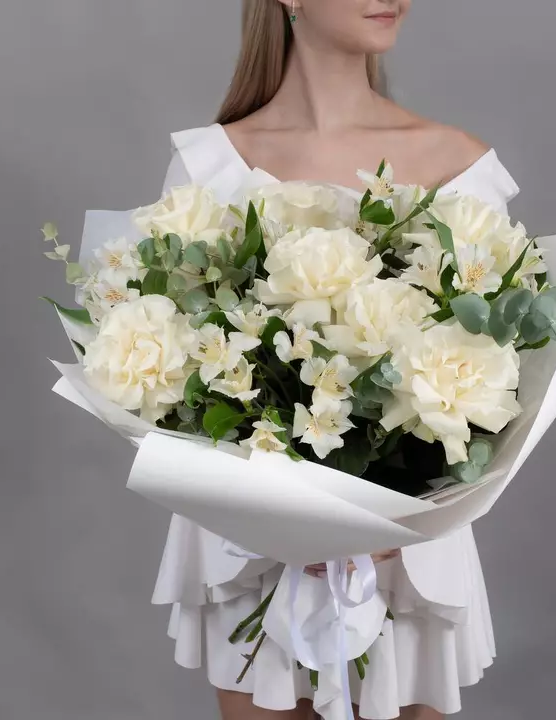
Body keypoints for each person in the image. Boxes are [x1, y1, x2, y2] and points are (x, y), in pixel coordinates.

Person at [151, 2, 521, 718]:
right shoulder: (207, 171)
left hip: (409, 552)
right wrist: (284, 524)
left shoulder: (461, 170)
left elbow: (500, 384)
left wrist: (387, 524)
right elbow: (176, 389)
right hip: (251, 546)